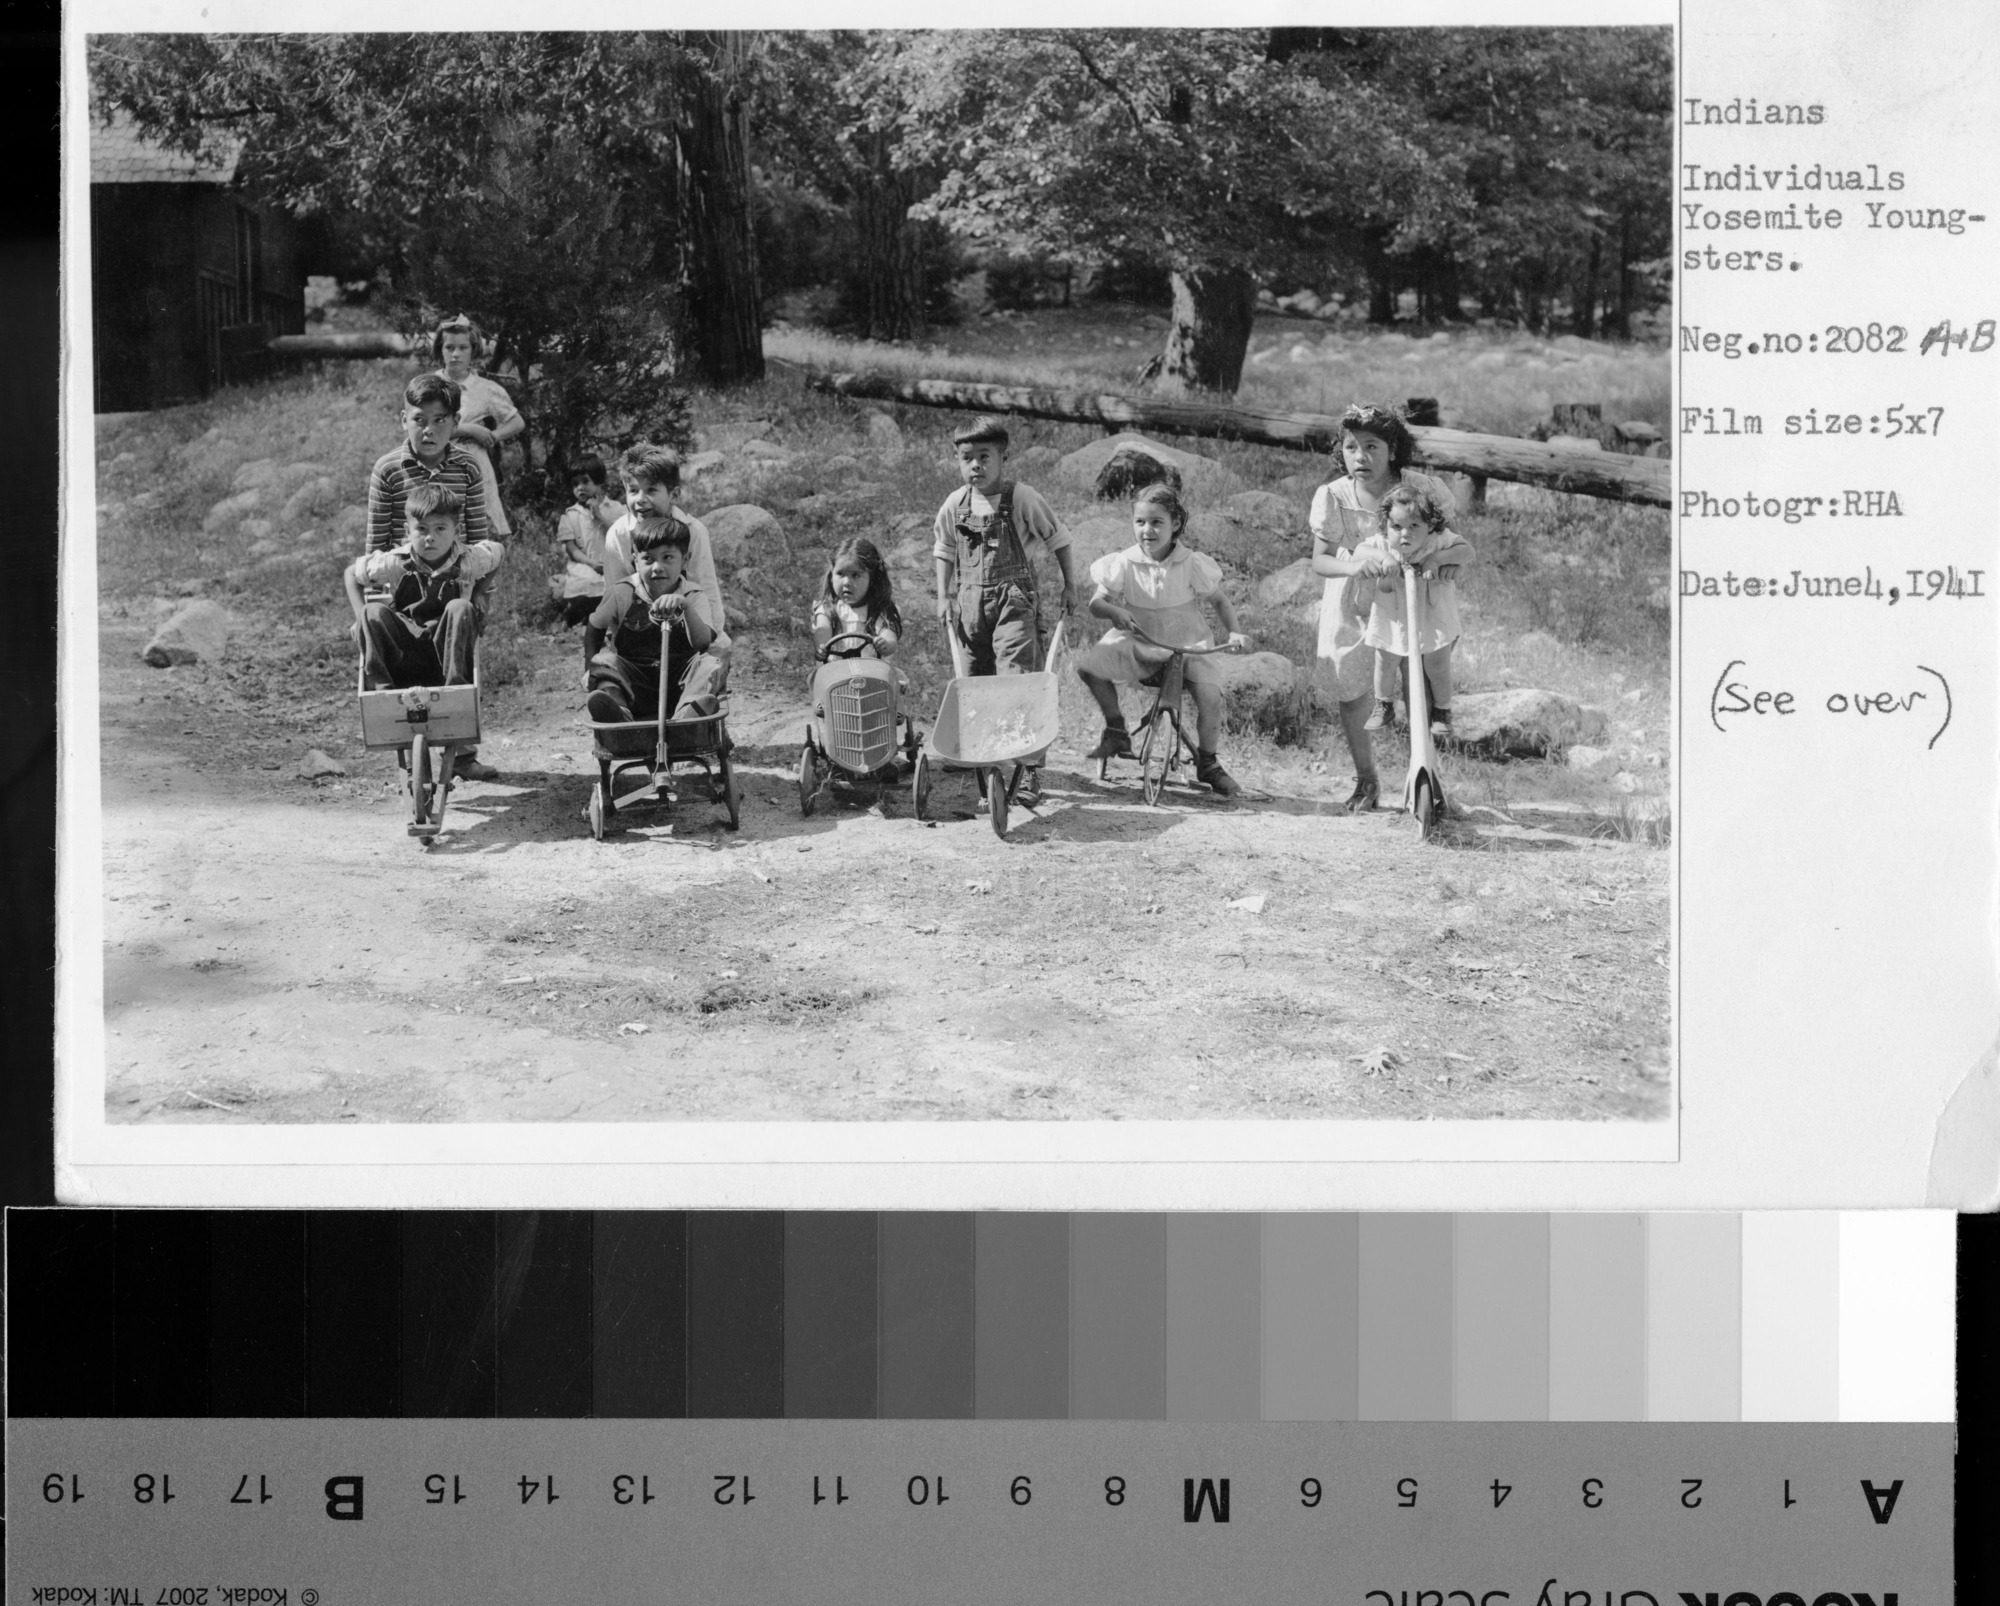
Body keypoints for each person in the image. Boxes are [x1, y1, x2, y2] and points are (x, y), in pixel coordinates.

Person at [1305, 403, 1466, 811]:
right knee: (1352, 683)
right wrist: (1355, 564)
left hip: (1412, 598)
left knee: (1418, 680)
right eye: (1351, 447)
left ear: (1393, 449)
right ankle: (1367, 780)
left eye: (1372, 446)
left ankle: (1426, 772)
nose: (1361, 457)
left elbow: (1449, 544)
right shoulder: (1334, 495)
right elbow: (1320, 560)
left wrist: (1439, 563)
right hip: (1356, 598)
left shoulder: (1421, 490)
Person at [931, 416, 1077, 805]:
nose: (975, 465)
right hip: (969, 606)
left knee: (1017, 681)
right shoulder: (955, 504)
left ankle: (1027, 770)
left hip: (1014, 602)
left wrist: (1070, 586)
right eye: (967, 458)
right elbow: (945, 549)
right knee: (973, 679)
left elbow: (1058, 539)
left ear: (1003, 457)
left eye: (984, 456)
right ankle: (977, 752)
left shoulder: (1023, 498)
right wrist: (943, 595)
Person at [1073, 484, 1250, 798]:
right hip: (1141, 639)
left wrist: (1233, 631)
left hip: (1188, 644)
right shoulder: (1124, 562)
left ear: (1176, 524)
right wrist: (1115, 611)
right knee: (1091, 667)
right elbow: (1096, 603)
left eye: (1157, 522)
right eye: (1140, 522)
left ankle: (1208, 762)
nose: (1147, 530)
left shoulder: (1190, 563)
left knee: (1211, 698)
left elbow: (1220, 602)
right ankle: (1116, 729)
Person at [344, 482, 503, 781]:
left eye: (441, 529)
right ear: (408, 530)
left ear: (456, 530)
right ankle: (383, 692)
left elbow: (499, 552)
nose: (430, 537)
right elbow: (351, 574)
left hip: (446, 651)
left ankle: (461, 751)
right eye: (422, 529)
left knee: (459, 607)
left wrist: (480, 592)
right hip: (405, 649)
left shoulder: (469, 558)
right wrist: (358, 618)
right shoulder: (395, 562)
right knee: (373, 611)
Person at [582, 517, 725, 726]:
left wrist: (685, 606)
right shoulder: (622, 592)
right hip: (634, 683)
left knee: (710, 664)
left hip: (680, 684)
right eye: (648, 559)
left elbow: (702, 643)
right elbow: (595, 626)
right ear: (635, 561)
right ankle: (617, 710)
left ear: (685, 560)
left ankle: (687, 715)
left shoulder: (692, 594)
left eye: (667, 557)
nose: (657, 567)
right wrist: (590, 668)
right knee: (604, 662)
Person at [1363, 481, 1474, 739]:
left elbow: (1468, 551)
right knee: (1385, 660)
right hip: (1392, 617)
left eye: (1414, 526)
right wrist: (1384, 560)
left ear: (1429, 526)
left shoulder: (1438, 542)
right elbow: (1359, 551)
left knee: (1437, 664)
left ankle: (1442, 710)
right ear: (1385, 526)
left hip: (1433, 616)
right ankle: (1384, 704)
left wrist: (1438, 559)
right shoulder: (1381, 544)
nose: (1405, 534)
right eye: (1397, 527)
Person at [600, 445, 732, 661]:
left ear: (674, 494)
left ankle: (703, 692)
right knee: (611, 666)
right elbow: (614, 593)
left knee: (713, 662)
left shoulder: (693, 531)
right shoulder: (619, 534)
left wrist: (709, 635)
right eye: (633, 490)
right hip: (639, 629)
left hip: (688, 624)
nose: (640, 499)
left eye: (651, 490)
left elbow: (707, 592)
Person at [365, 373, 494, 555]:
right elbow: (376, 544)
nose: (429, 430)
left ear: (455, 422)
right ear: (404, 420)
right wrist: (375, 581)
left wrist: (483, 583)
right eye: (419, 420)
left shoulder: (467, 467)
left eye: (439, 420)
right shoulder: (387, 469)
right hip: (403, 577)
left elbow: (478, 538)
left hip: (457, 578)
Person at [432, 315, 525, 538]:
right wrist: (470, 429)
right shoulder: (429, 386)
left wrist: (492, 435)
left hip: (473, 462)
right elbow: (426, 428)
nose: (455, 354)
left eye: (463, 348)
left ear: (473, 350)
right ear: (440, 350)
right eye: (449, 347)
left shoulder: (484, 388)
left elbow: (517, 422)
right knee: (437, 521)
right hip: (435, 460)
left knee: (476, 525)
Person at [552, 454, 626, 628]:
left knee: (616, 582)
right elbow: (572, 548)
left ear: (599, 482)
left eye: (585, 482)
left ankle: (608, 617)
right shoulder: (571, 514)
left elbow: (621, 536)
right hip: (586, 563)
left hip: (612, 562)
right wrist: (592, 563)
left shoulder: (615, 508)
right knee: (585, 581)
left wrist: (599, 516)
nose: (580, 488)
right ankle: (579, 615)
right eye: (575, 484)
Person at [811, 537, 902, 661]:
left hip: (871, 674)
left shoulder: (877, 609)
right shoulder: (828, 608)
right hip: (837, 674)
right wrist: (821, 646)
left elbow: (889, 636)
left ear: (872, 578)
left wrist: (885, 644)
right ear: (832, 574)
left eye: (856, 575)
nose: (847, 582)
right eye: (841, 574)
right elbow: (823, 629)